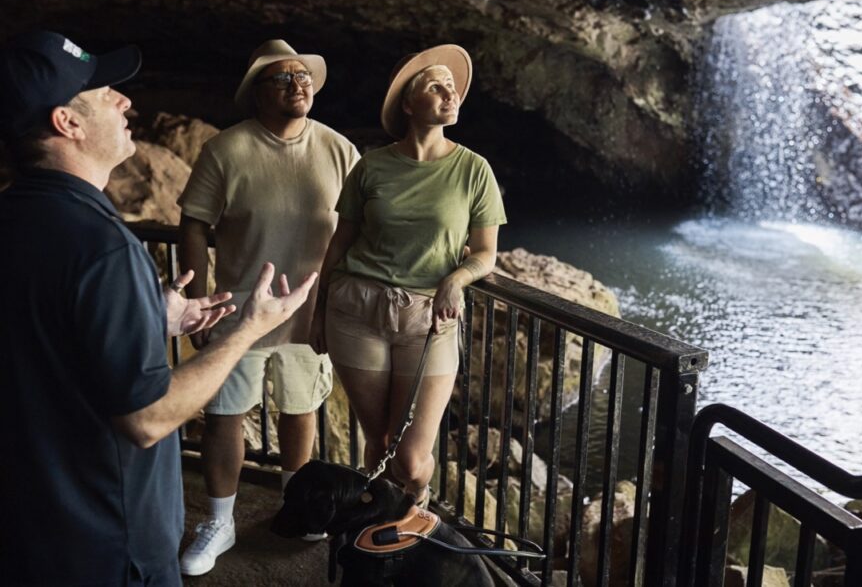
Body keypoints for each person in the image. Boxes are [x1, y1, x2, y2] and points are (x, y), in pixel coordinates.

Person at [0, 30, 316, 586]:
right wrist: (249, 329)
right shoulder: (103, 247)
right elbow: (147, 419)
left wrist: (151, 319)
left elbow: (46, 342)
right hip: (108, 545)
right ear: (66, 123)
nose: (125, 101)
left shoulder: (17, 218)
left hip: (30, 530)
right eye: (103, 93)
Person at [176, 39, 360, 575]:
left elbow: (357, 229)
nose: (298, 83)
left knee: (300, 410)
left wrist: (334, 304)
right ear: (257, 92)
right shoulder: (225, 150)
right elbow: (194, 223)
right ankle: (219, 521)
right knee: (224, 415)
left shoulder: (339, 148)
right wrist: (198, 300)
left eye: (303, 76)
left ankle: (295, 507)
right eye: (283, 78)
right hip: (239, 310)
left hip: (309, 311)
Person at [311, 44, 506, 506]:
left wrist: (455, 280)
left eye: (453, 88)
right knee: (378, 443)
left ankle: (415, 518)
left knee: (413, 459)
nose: (450, 93)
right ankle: (381, 534)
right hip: (356, 311)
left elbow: (484, 254)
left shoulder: (474, 170)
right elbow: (339, 244)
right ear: (407, 103)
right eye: (436, 86)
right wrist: (316, 313)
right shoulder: (372, 166)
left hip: (428, 320)